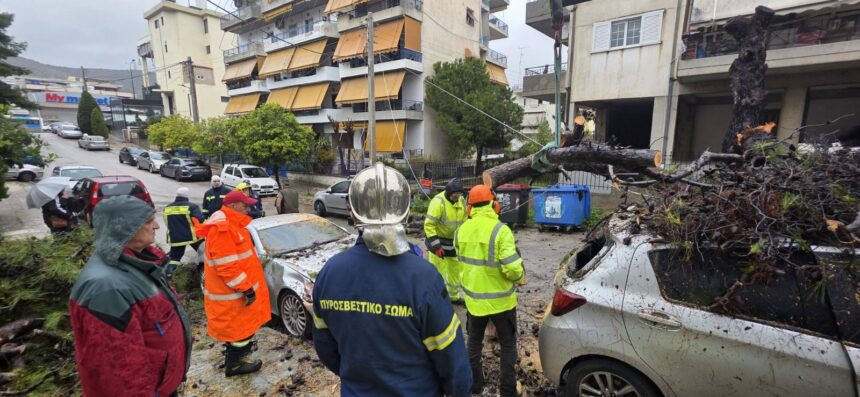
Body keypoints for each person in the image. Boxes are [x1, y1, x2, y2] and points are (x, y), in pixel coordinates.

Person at [311, 163, 472, 397]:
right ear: (404, 214)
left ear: (352, 213)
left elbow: (326, 349)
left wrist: (359, 377)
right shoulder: (423, 278)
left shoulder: (329, 273)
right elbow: (451, 360)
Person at [69, 195, 192, 396]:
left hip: (163, 386)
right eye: (148, 221)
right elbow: (119, 374)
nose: (157, 226)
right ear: (125, 228)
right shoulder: (105, 288)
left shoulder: (142, 264)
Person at [454, 184, 526, 397]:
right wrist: (519, 278)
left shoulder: (460, 231)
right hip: (502, 302)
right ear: (495, 206)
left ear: (469, 208)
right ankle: (507, 391)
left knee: (474, 343)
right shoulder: (501, 230)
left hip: (474, 302)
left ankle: (475, 386)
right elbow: (513, 269)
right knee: (508, 345)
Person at [195, 190, 271, 377]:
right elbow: (227, 266)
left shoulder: (230, 224)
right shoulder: (223, 228)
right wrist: (246, 288)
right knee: (240, 333)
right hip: (234, 295)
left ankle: (234, 358)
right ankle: (235, 364)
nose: (248, 209)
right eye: (245, 205)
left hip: (234, 294)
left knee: (239, 331)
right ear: (233, 206)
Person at [424, 178, 467, 303]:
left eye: (459, 194)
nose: (457, 196)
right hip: (438, 243)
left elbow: (465, 221)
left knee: (455, 271)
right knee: (438, 273)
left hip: (453, 243)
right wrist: (436, 246)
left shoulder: (461, 201)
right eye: (455, 194)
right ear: (448, 192)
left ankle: (453, 296)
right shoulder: (438, 202)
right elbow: (429, 225)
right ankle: (438, 300)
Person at [164, 187, 205, 275]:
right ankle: (204, 272)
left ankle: (168, 276)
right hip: (192, 237)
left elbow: (167, 223)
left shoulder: (167, 208)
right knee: (205, 252)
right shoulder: (192, 207)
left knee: (174, 259)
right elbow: (200, 220)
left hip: (175, 238)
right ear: (187, 195)